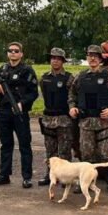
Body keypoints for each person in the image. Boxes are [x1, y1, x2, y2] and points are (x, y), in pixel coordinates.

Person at [69, 45, 108, 196]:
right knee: (86, 155)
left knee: (106, 155)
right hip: (85, 123)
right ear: (87, 57)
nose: (92, 58)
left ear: (100, 59)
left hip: (103, 124)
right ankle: (84, 182)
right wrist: (72, 107)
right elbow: (72, 95)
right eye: (90, 55)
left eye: (96, 56)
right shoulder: (80, 77)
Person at [0, 41, 39, 189]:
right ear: (7, 53)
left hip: (19, 111)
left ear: (21, 54)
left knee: (25, 145)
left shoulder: (27, 70)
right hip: (3, 111)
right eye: (10, 50)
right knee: (6, 145)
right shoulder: (2, 69)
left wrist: (22, 103)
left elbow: (33, 92)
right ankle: (4, 175)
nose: (13, 53)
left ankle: (27, 177)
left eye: (16, 51)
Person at [37, 47, 75, 186]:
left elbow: (73, 96)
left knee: (64, 151)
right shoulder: (44, 78)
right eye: (53, 58)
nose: (55, 61)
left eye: (58, 59)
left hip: (64, 119)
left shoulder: (69, 78)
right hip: (48, 119)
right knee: (50, 151)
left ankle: (66, 177)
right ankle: (50, 175)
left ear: (63, 61)